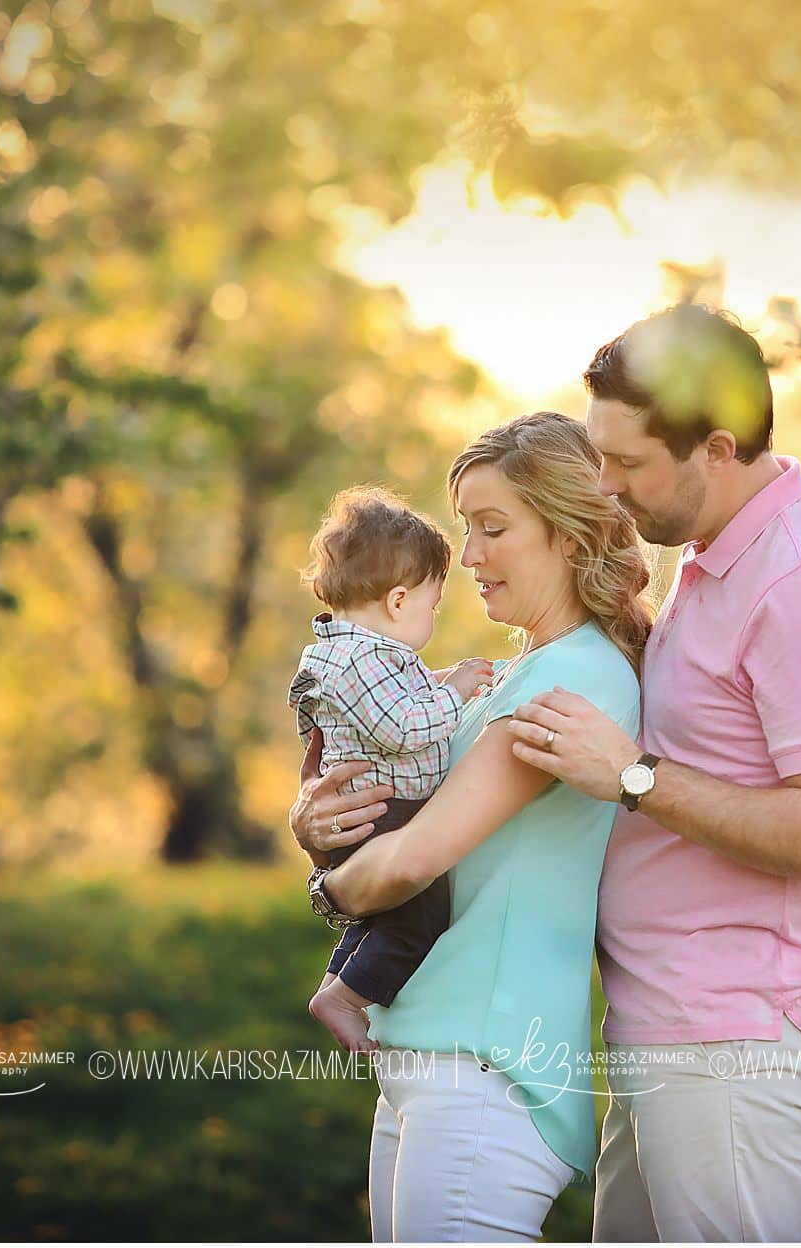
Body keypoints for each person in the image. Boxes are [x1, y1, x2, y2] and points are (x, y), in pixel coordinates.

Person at [507, 304, 801, 1242]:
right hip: (669, 1026)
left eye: (627, 463)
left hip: (739, 1041)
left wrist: (635, 776)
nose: (605, 488)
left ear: (716, 449)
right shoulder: (710, 553)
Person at [288, 412, 652, 1242]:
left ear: (568, 536)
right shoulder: (508, 676)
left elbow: (412, 858)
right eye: (465, 529)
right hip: (429, 1059)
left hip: (485, 1073)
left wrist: (326, 883)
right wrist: (313, 821)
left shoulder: (574, 679)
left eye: (493, 529)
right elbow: (385, 807)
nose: (471, 557)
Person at [287, 487, 496, 1054]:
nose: (432, 617)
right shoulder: (367, 659)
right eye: (433, 605)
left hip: (366, 811)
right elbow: (402, 728)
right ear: (399, 601)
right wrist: (452, 693)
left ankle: (334, 984)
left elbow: (389, 706)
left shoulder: (342, 652)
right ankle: (347, 998)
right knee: (419, 917)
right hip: (387, 811)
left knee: (377, 919)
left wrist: (438, 684)